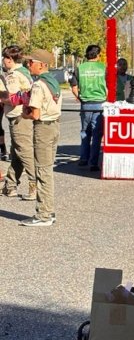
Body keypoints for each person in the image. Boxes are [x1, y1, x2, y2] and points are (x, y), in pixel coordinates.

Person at [19, 49, 62, 227]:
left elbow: (35, 114)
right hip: (54, 126)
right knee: (47, 170)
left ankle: (43, 215)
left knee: (42, 171)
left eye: (31, 62)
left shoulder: (38, 85)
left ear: (41, 64)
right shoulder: (53, 81)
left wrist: (25, 113)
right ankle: (48, 210)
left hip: (43, 128)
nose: (28, 65)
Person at [0, 45, 35, 200]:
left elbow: (13, 98)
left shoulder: (14, 75)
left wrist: (1, 99)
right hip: (22, 115)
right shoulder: (24, 72)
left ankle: (35, 185)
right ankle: (10, 185)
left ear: (10, 59)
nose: (3, 61)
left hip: (19, 116)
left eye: (4, 58)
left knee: (24, 152)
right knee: (16, 153)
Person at [69, 44, 107, 171]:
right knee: (97, 134)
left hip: (85, 103)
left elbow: (74, 87)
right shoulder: (103, 68)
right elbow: (109, 86)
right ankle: (93, 162)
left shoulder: (80, 68)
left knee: (85, 131)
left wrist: (80, 98)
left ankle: (83, 158)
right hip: (100, 103)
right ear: (98, 54)